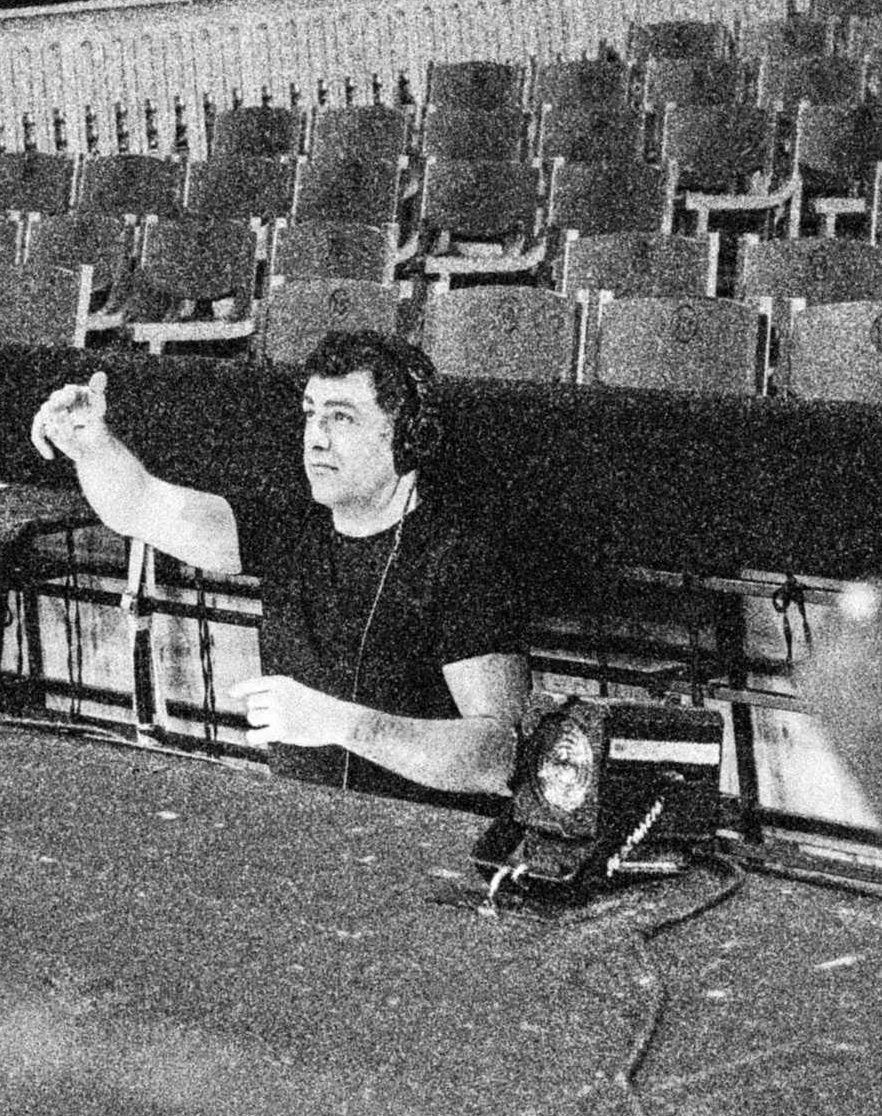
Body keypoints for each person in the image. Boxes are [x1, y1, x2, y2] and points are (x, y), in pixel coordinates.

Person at [28, 329, 526, 799]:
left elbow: (501, 758)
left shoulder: (465, 558)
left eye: (342, 417)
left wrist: (338, 723)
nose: (316, 438)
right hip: (310, 824)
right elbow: (139, 505)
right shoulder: (291, 525)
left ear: (409, 437)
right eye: (311, 414)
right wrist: (90, 445)